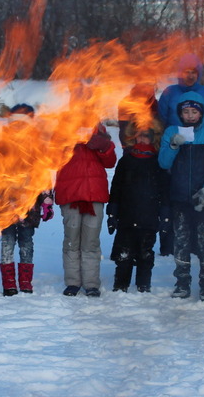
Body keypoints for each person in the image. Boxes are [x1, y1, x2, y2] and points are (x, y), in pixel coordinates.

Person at [158, 92, 204, 299]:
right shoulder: (171, 132)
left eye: (194, 111)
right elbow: (164, 163)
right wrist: (173, 145)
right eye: (186, 112)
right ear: (180, 113)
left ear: (201, 112)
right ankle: (182, 282)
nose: (190, 116)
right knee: (181, 240)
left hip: (202, 197)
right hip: (179, 196)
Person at [0, 104, 53, 296]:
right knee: (7, 242)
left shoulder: (36, 148)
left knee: (26, 242)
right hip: (6, 204)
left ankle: (25, 281)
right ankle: (9, 283)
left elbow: (43, 175)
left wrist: (47, 199)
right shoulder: (2, 147)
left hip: (29, 204)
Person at [55, 123, 117, 296]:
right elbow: (51, 158)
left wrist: (102, 145)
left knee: (90, 242)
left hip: (94, 196)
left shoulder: (99, 129)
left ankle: (91, 283)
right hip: (70, 195)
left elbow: (110, 162)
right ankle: (73, 282)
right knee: (71, 241)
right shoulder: (64, 125)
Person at [107, 123, 167, 293]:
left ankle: (143, 284)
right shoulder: (126, 160)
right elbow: (116, 187)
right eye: (139, 136)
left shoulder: (158, 162)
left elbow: (164, 191)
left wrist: (165, 216)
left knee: (145, 252)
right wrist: (112, 213)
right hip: (127, 214)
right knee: (124, 252)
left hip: (149, 214)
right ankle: (120, 284)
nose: (142, 139)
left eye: (146, 136)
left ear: (152, 138)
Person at [119, 81, 172, 257]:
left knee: (157, 196)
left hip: (156, 155)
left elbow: (162, 131)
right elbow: (124, 133)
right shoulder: (127, 103)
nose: (147, 90)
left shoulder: (158, 104)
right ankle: (129, 242)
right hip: (134, 155)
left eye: (151, 86)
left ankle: (161, 242)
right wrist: (132, 151)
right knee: (132, 196)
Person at [157, 53, 204, 130]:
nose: (190, 76)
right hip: (175, 139)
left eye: (193, 72)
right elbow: (161, 121)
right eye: (187, 72)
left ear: (198, 74)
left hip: (203, 140)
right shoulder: (169, 92)